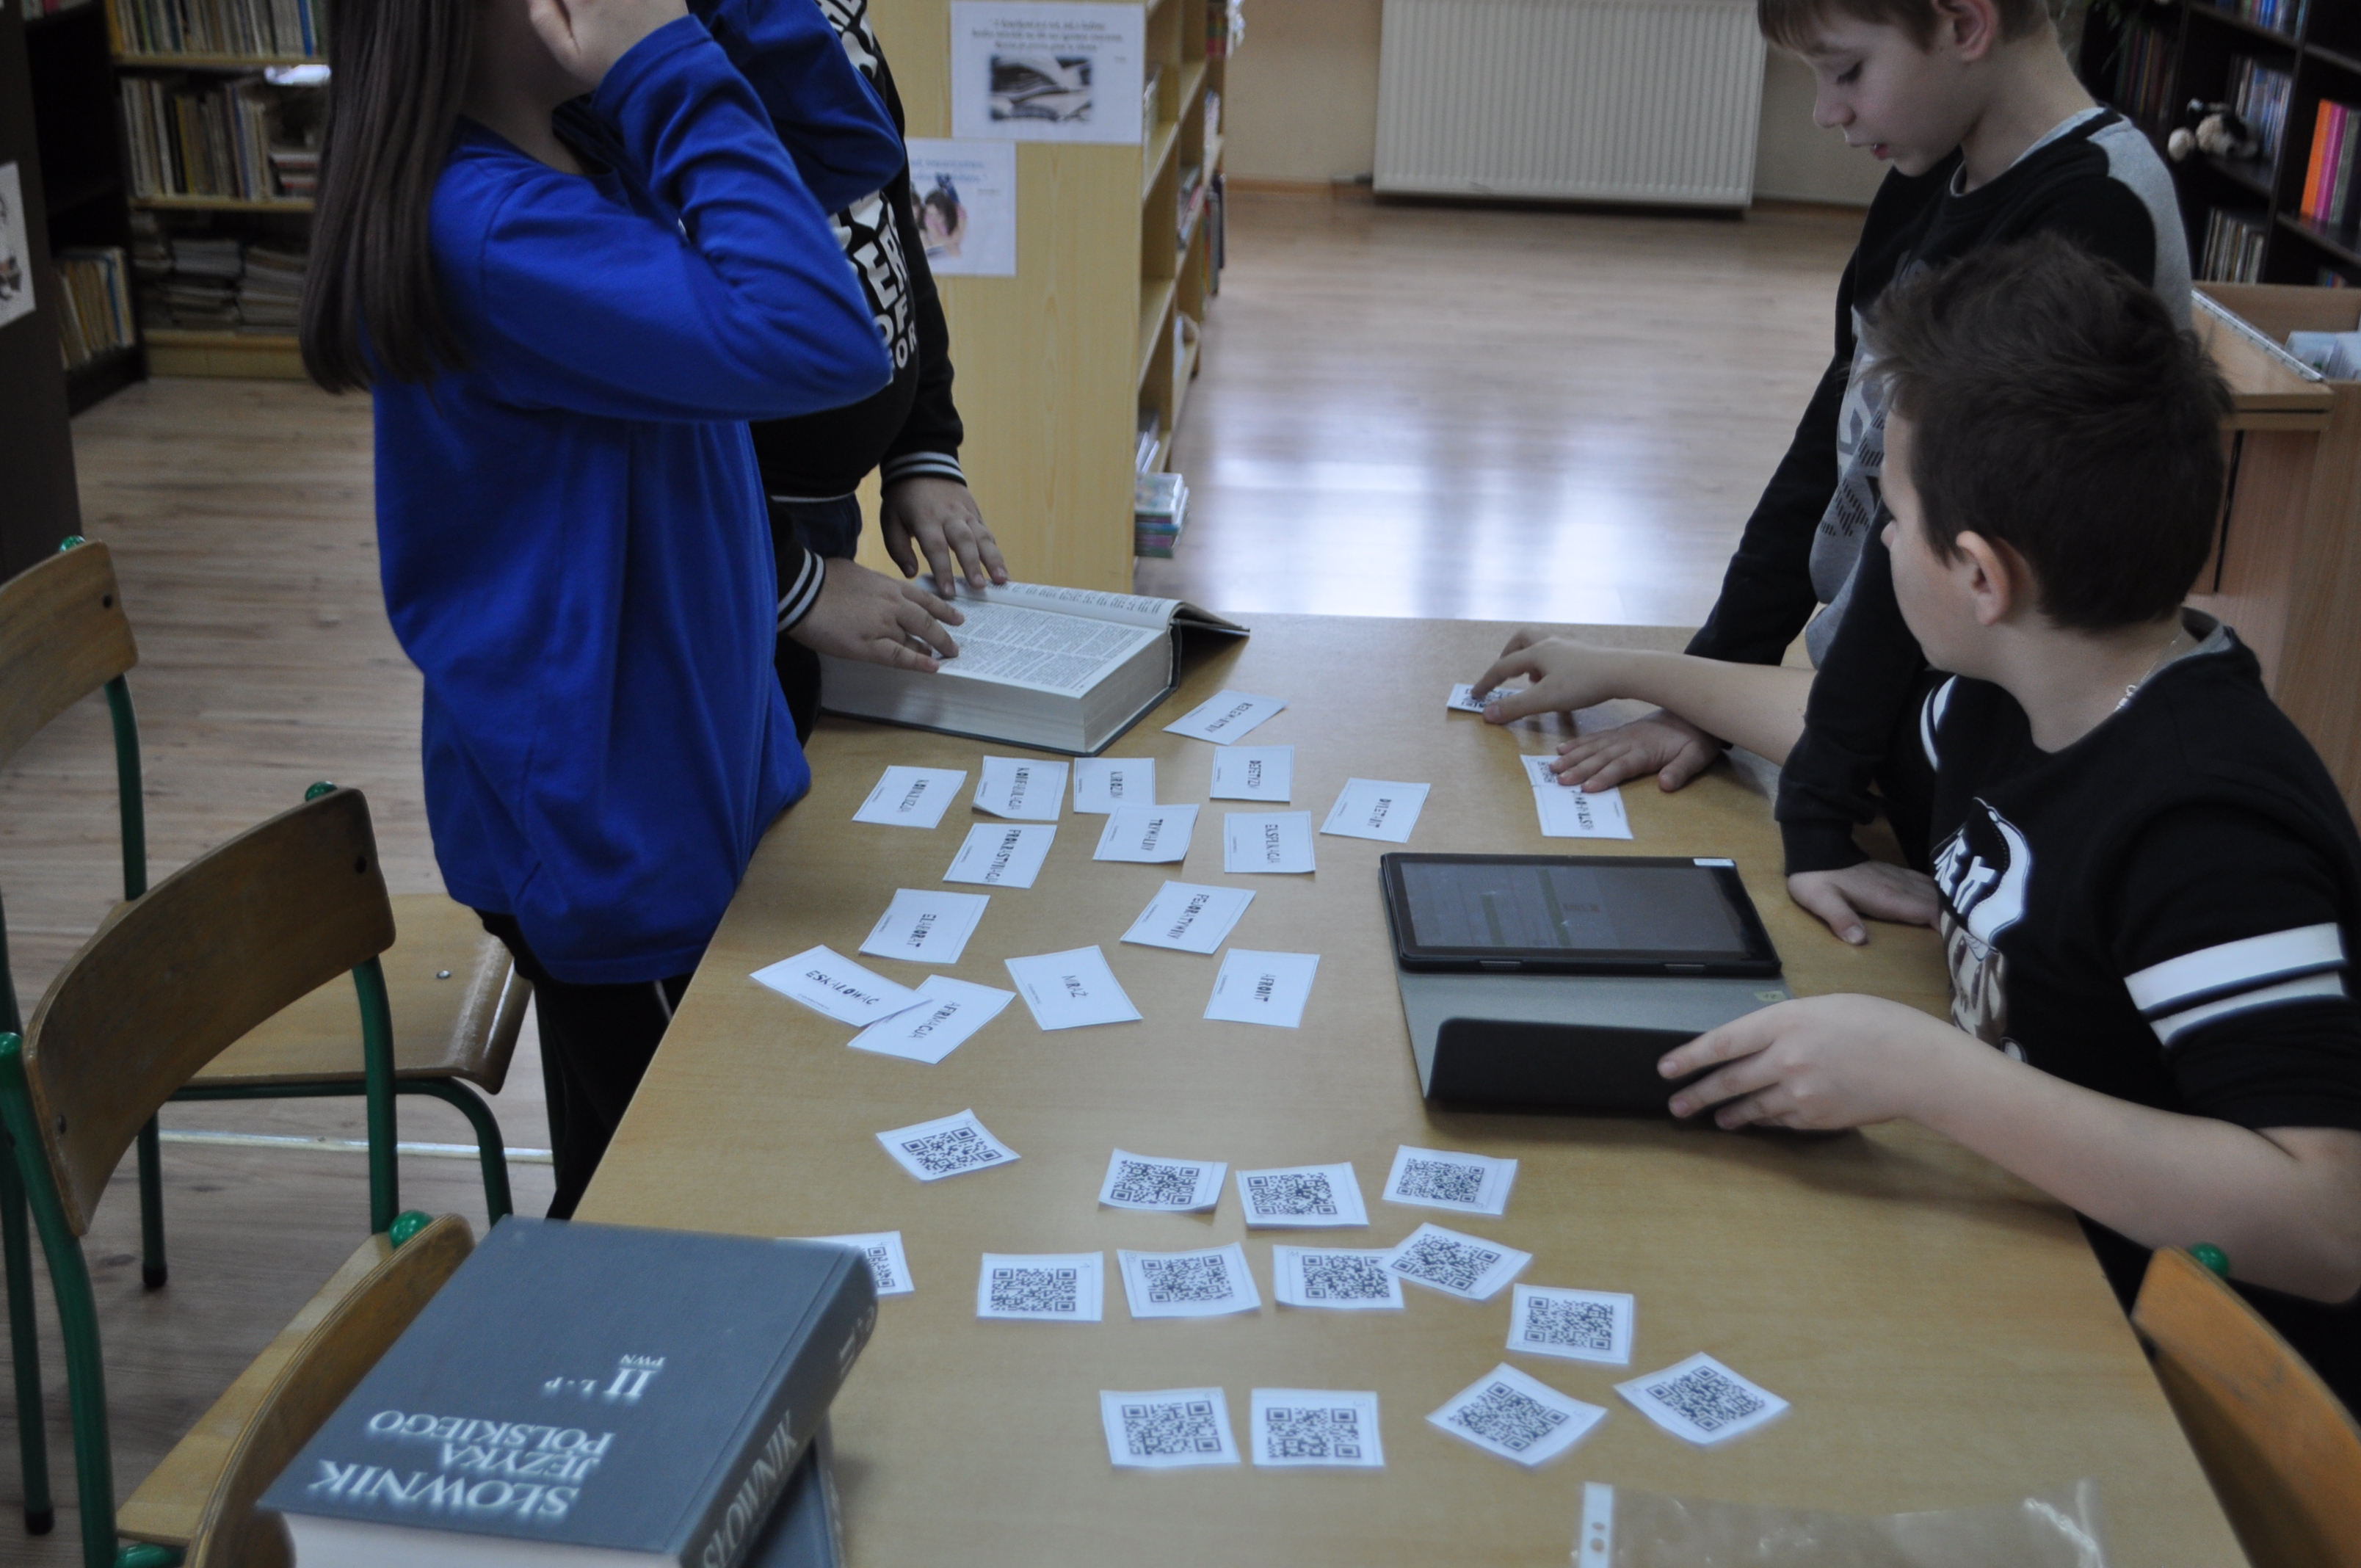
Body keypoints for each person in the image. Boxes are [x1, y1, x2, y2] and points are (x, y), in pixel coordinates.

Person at [1655, 239, 2361, 1407]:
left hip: (2191, 1399)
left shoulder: (2205, 826)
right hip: (2030, 1259)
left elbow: (2325, 1225)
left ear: (1982, 577)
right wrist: (1633, 673)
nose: (1883, 545)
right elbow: (1828, 729)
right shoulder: (2014, 691)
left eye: (1892, 518)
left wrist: (1925, 1073)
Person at [302, 0, 905, 1216]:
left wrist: (713, 18)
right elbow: (821, 336)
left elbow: (847, 154)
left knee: (631, 1189)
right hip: (619, 829)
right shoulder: (490, 229)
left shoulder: (582, 148)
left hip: (676, 777)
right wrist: (663, 62)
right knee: (684, 1215)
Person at [1476, 0, 2190, 906]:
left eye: (1847, 71)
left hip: (1960, 735)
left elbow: (1936, 538)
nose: (1827, 111)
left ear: (1965, 26)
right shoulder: (1932, 168)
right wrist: (1706, 692)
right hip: (1861, 698)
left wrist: (1815, 815)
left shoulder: (2093, 210)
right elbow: (1830, 446)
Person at [745, 0, 1009, 741]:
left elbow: (888, 232)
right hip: (731, 538)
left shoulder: (828, 21)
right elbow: (656, 420)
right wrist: (791, 579)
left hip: (818, 528)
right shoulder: (663, 53)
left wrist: (922, 445)